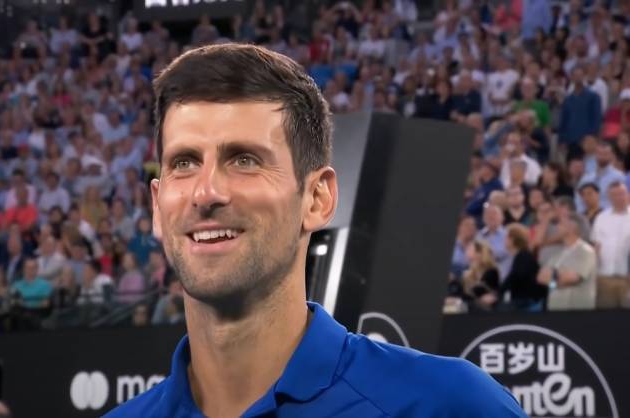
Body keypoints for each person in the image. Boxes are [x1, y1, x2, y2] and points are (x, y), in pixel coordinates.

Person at [104, 44, 526, 418]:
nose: (206, 192)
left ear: (317, 198)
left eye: (245, 160)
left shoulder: (450, 406)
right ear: (157, 204)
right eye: (184, 163)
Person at [537, 213, 597, 311]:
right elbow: (540, 277)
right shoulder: (559, 253)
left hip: (577, 311)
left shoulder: (585, 251)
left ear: (571, 228)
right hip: (556, 310)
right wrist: (555, 283)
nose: (557, 227)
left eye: (561, 224)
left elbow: (572, 278)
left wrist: (552, 276)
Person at [591, 182, 630, 308]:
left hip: (627, 278)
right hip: (604, 278)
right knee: (606, 316)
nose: (619, 197)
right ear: (609, 197)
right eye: (615, 195)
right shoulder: (601, 218)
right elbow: (596, 246)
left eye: (622, 193)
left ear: (628, 195)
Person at [500, 224, 545, 311]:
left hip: (527, 303)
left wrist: (498, 293)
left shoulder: (523, 256)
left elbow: (514, 278)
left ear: (512, 240)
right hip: (523, 300)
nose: (503, 240)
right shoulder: (521, 256)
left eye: (505, 237)